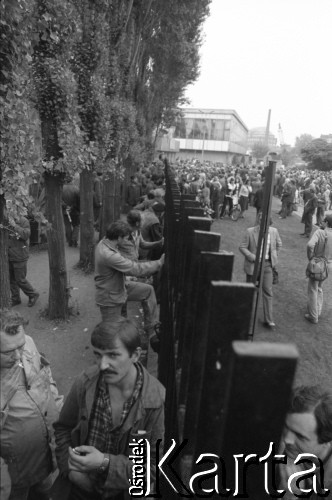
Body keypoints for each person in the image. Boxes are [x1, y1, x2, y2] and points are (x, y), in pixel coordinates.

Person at [53, 318, 165, 500]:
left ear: (135, 355)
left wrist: (104, 462)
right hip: (79, 489)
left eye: (112, 355)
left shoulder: (155, 401)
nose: (102, 365)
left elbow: (150, 470)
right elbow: (63, 428)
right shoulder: (85, 382)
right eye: (98, 355)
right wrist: (70, 470)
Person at [0, 310, 63, 500]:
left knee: (45, 492)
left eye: (21, 346)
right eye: (9, 352)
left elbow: (45, 375)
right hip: (14, 472)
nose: (19, 356)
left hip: (45, 457)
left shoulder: (27, 342)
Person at [94, 221, 164, 338]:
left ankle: (152, 330)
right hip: (109, 297)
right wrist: (159, 263)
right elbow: (135, 268)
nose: (126, 241)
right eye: (125, 238)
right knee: (112, 333)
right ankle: (110, 353)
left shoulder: (105, 242)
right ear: (119, 237)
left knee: (148, 290)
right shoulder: (109, 255)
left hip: (119, 286)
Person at [278, 385, 332, 498]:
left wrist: (291, 495)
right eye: (287, 427)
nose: (287, 440)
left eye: (300, 436)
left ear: (328, 440)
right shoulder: (287, 450)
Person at [239, 212, 282, 328]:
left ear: (269, 222)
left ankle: (269, 320)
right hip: (253, 265)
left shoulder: (274, 231)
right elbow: (242, 247)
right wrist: (252, 256)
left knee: (268, 291)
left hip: (268, 265)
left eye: (264, 220)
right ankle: (244, 316)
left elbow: (279, 244)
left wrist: (274, 256)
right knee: (249, 290)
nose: (261, 222)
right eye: (260, 219)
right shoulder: (250, 231)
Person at [305, 214, 332, 324]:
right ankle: (317, 310)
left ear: (326, 223)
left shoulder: (320, 232)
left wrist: (311, 257)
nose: (322, 222)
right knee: (319, 287)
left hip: (318, 264)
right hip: (329, 265)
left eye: (323, 221)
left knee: (313, 289)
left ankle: (313, 316)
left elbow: (310, 245)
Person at [8, 213, 39, 307]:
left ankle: (33, 294)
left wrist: (15, 226)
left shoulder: (23, 220)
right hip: (9, 255)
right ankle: (15, 298)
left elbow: (26, 235)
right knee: (11, 279)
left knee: (20, 279)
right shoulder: (5, 221)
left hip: (20, 255)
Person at [62, 183, 80, 247]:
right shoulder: (76, 188)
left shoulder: (61, 188)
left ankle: (70, 241)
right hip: (74, 211)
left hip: (65, 211)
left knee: (67, 226)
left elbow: (60, 200)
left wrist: (66, 206)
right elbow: (78, 200)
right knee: (76, 225)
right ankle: (74, 239)